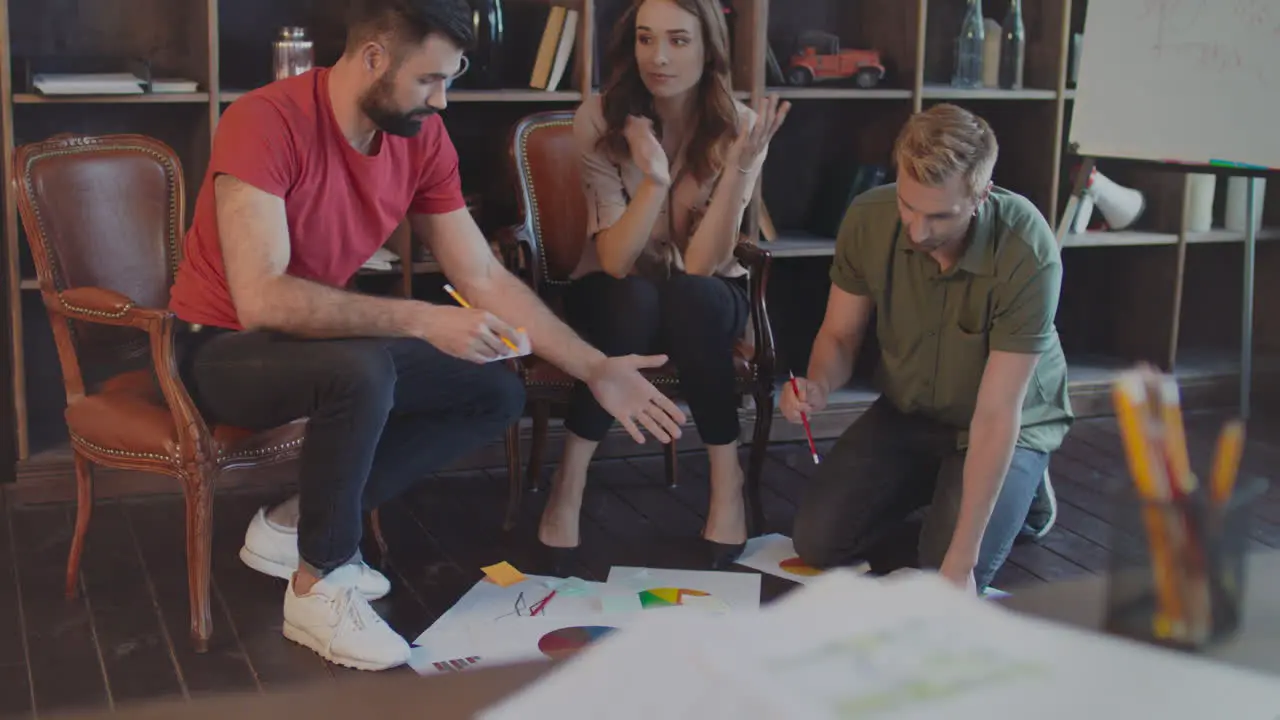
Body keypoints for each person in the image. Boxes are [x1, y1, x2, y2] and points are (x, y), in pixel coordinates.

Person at [167, 0, 687, 671]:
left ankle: (295, 525)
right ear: (374, 58)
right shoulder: (265, 120)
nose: (441, 101)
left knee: (492, 389)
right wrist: (422, 317)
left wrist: (593, 367)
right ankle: (317, 586)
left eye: (451, 80)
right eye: (429, 80)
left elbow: (482, 275)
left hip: (319, 349)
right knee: (362, 372)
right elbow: (262, 297)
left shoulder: (418, 137)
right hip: (221, 348)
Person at [534, 0, 790, 570]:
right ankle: (568, 482)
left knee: (689, 296)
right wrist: (652, 181)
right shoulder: (600, 117)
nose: (659, 57)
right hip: (611, 291)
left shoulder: (742, 127)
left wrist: (743, 168)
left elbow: (701, 265)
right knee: (634, 298)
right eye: (647, 40)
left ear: (709, 49)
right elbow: (618, 260)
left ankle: (727, 487)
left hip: (703, 295)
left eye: (678, 40)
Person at [781, 103, 1072, 594]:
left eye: (940, 216)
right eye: (908, 206)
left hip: (1002, 421)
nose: (918, 230)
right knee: (816, 542)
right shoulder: (869, 216)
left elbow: (999, 412)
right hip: (908, 411)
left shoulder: (1028, 248)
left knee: (943, 573)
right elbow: (839, 336)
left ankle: (1028, 489)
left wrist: (960, 565)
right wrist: (818, 384)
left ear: (981, 195)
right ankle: (941, 484)